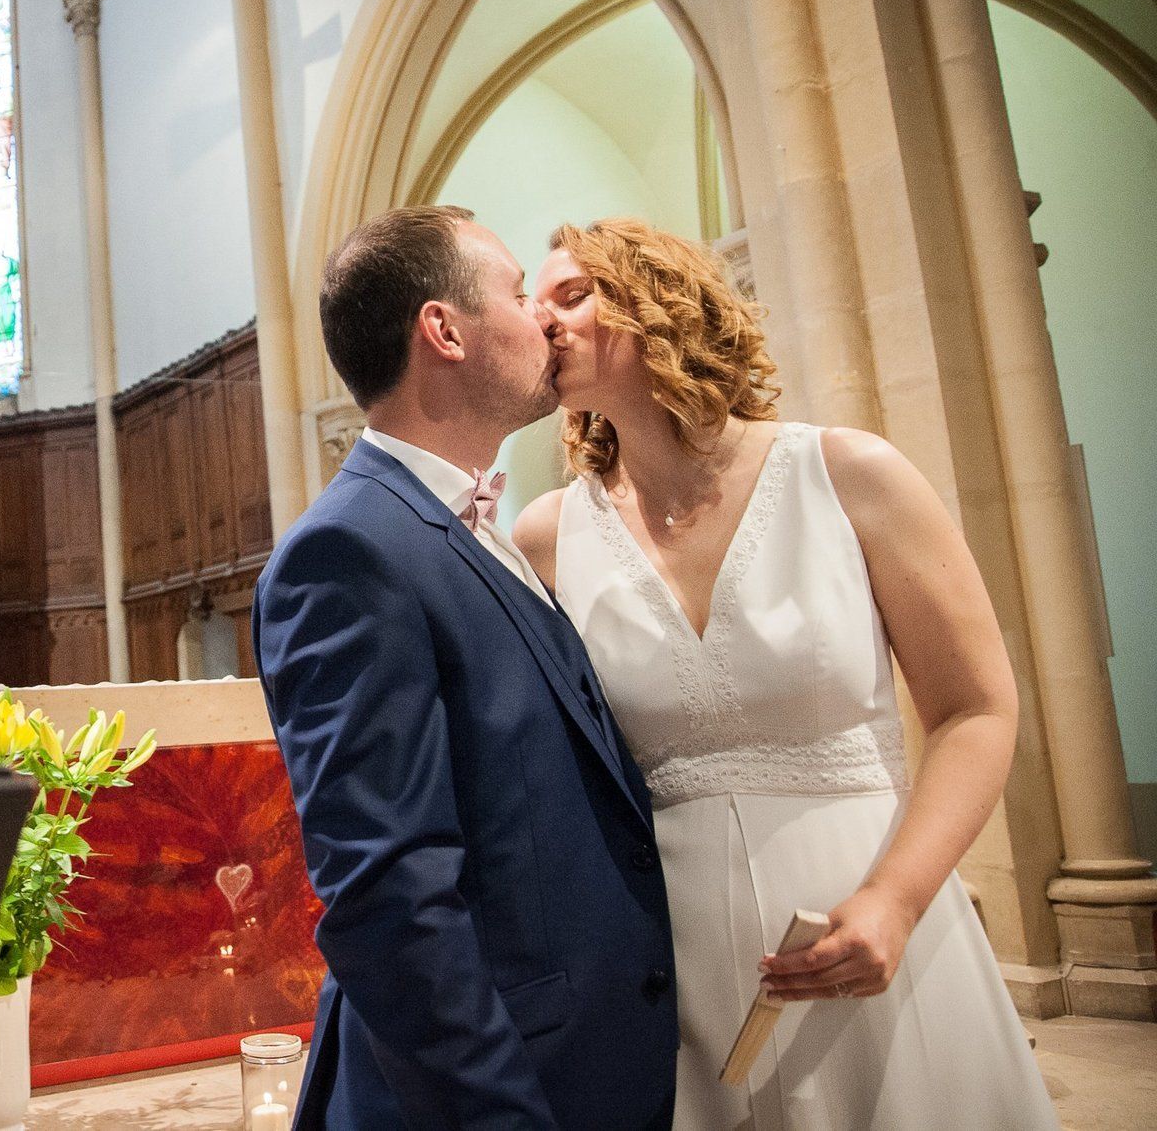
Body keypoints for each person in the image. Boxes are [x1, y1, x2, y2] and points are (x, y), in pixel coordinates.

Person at [511, 218, 1056, 1130]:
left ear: (665, 303)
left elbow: (975, 708)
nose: (545, 321)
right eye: (534, 305)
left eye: (575, 294)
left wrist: (895, 899)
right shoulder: (548, 537)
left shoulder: (847, 474)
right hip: (674, 963)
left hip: (871, 923)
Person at [254, 205, 677, 1130]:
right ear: (443, 330)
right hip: (493, 1093)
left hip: (592, 1061)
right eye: (521, 295)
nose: (544, 321)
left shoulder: (484, 528)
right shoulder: (349, 553)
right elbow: (390, 900)